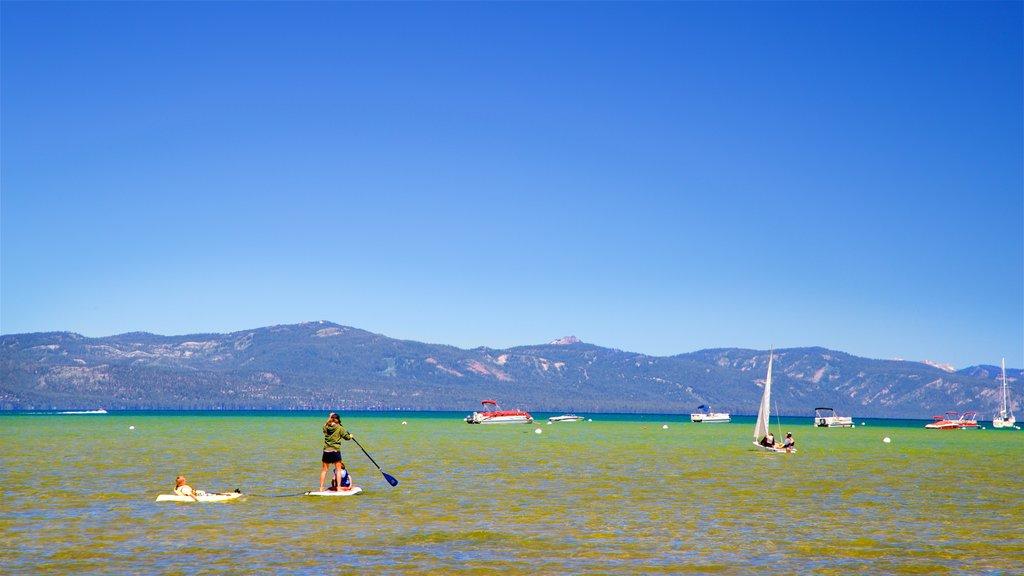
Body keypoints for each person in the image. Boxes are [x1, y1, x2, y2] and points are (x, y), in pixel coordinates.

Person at [320, 412, 354, 492]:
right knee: (338, 470)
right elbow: (346, 437)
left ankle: (321, 487)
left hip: (326, 451)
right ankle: (338, 487)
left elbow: (325, 425)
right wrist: (351, 436)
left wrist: (329, 416)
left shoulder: (326, 427)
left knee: (324, 470)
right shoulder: (340, 428)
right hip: (335, 451)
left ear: (331, 419)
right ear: (338, 420)